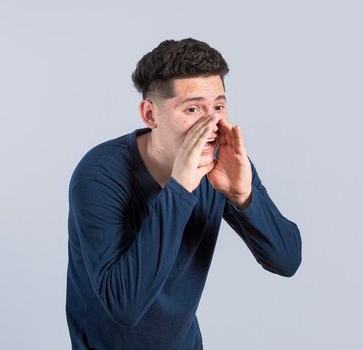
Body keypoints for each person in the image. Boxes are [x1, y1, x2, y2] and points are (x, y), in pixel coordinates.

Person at [66, 38, 302, 350]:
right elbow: (125, 306)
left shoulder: (221, 161)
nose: (212, 123)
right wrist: (180, 188)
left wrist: (244, 196)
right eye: (192, 109)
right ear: (150, 115)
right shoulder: (99, 174)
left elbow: (286, 261)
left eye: (218, 106)